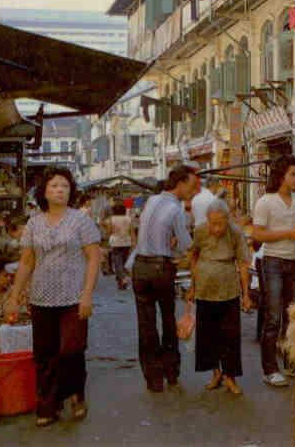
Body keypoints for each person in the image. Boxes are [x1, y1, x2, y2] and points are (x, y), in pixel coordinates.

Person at [6, 167, 101, 428]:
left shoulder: (81, 221)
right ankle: (49, 405)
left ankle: (75, 393)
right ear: (44, 192)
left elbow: (94, 258)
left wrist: (87, 295)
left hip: (73, 296)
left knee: (71, 349)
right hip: (41, 297)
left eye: (65, 186)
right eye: (54, 186)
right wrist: (14, 297)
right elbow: (26, 261)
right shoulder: (34, 223)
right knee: (45, 354)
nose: (60, 190)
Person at [131, 164, 199, 392]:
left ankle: (153, 379)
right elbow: (186, 244)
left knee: (146, 325)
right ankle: (171, 372)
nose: (192, 191)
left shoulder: (152, 201)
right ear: (180, 184)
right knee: (168, 321)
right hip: (161, 268)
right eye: (191, 186)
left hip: (140, 267)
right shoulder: (176, 209)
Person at [252, 155, 295, 388]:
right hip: (273, 262)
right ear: (281, 177)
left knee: (293, 316)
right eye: (293, 174)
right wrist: (289, 234)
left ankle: (290, 363)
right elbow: (257, 234)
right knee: (273, 317)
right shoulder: (265, 202)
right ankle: (270, 369)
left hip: (293, 261)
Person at [187, 199, 251, 395]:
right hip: (205, 288)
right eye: (212, 223)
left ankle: (230, 376)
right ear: (207, 220)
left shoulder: (236, 233)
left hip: (229, 289)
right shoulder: (200, 231)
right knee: (207, 334)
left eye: (220, 223)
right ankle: (215, 373)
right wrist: (192, 285)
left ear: (227, 219)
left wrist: (246, 294)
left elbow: (242, 264)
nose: (216, 228)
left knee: (230, 335)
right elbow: (194, 256)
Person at [106, 203, 133, 289]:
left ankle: (122, 279)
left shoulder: (112, 219)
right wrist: (134, 242)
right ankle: (121, 281)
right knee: (123, 262)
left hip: (116, 242)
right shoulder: (129, 219)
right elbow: (131, 231)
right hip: (126, 242)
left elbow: (109, 231)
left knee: (117, 262)